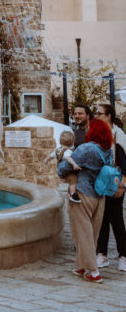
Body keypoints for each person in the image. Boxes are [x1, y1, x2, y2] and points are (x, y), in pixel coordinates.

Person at [59, 118, 114, 282]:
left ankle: (94, 272)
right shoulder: (108, 150)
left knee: (82, 233)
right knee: (93, 233)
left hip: (82, 195)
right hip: (100, 196)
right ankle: (82, 266)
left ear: (93, 131)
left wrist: (61, 162)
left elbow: (63, 169)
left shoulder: (86, 149)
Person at [94, 102, 126, 272]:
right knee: (102, 219)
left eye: (99, 113)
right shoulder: (98, 134)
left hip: (114, 183)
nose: (96, 116)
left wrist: (122, 185)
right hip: (101, 183)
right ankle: (102, 254)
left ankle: (123, 256)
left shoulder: (118, 135)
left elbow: (124, 162)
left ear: (108, 116)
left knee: (117, 220)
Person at [45, 129, 80, 202]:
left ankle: (68, 194)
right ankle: (73, 194)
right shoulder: (68, 151)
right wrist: (74, 164)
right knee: (73, 180)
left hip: (60, 170)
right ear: (72, 142)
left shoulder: (57, 150)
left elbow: (50, 156)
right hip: (66, 170)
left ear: (60, 141)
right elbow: (68, 158)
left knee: (68, 181)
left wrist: (46, 160)